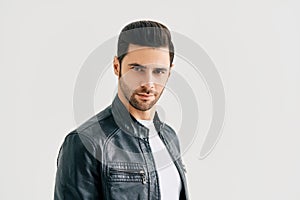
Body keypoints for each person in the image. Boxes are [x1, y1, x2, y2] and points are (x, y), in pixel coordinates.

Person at [54, 20, 189, 200]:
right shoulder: (86, 143)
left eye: (158, 72)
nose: (148, 84)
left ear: (169, 73)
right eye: (137, 69)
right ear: (117, 67)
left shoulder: (170, 137)